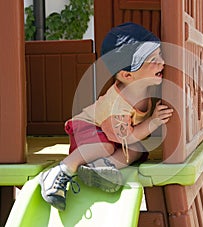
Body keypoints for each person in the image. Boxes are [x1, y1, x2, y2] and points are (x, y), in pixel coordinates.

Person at [39, 22, 173, 211]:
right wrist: (152, 122)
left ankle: (101, 169)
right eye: (152, 60)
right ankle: (62, 169)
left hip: (116, 133)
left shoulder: (143, 87)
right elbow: (124, 136)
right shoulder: (119, 105)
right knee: (106, 145)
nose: (162, 62)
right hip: (88, 128)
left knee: (138, 149)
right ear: (127, 75)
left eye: (159, 55)